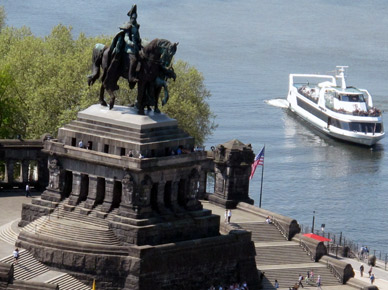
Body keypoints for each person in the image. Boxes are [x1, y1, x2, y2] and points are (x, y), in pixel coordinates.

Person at [105, 4, 142, 90]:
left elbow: (137, 36)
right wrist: (130, 42)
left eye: (135, 18)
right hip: (129, 48)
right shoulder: (128, 26)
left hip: (136, 47)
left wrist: (139, 41)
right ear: (130, 18)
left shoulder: (136, 26)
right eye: (133, 18)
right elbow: (126, 37)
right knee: (134, 59)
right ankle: (131, 77)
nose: (134, 19)